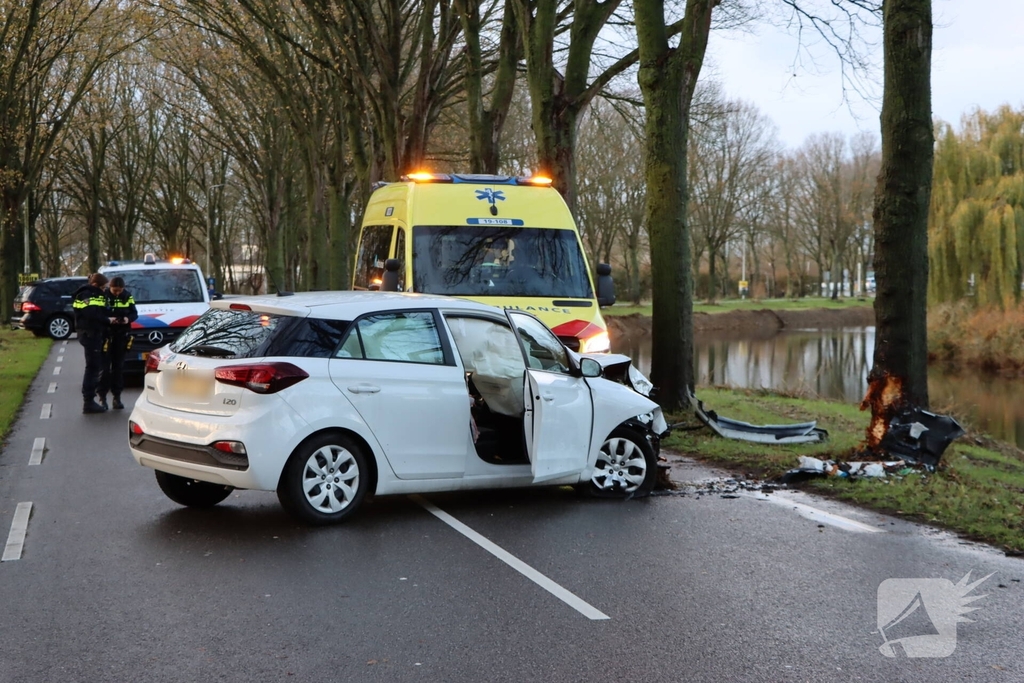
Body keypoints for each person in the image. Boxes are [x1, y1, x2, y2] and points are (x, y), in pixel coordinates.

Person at [72, 273, 111, 414]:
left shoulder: (94, 294)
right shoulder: (86, 295)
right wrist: (108, 320)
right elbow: (91, 314)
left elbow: (101, 310)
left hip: (93, 333)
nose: (104, 290)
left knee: (95, 367)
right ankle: (88, 401)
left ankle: (89, 400)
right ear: (95, 285)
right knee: (92, 368)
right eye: (103, 287)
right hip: (90, 334)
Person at [98, 276, 138, 410]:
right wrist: (109, 320)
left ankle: (117, 397)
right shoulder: (103, 296)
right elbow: (97, 314)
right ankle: (102, 397)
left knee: (118, 369)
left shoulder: (127, 296)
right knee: (104, 369)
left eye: (120, 290)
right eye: (115, 290)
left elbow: (134, 313)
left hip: (121, 336)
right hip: (106, 336)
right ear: (110, 287)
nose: (117, 293)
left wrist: (127, 319)